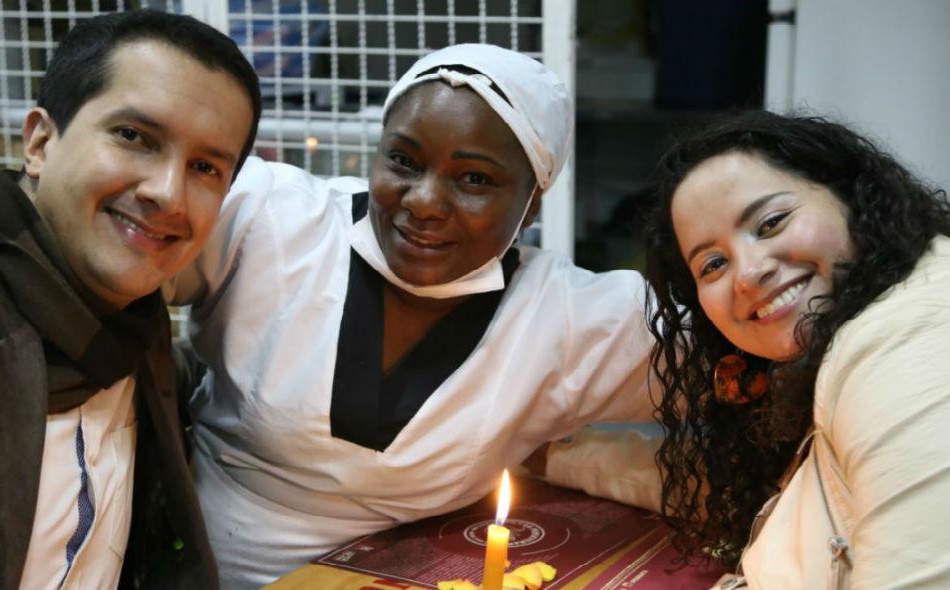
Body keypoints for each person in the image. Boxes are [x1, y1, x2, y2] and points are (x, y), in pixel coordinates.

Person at [168, 43, 656, 587]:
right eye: (403, 160)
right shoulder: (271, 217)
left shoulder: (567, 317)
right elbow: (108, 271)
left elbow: (736, 354)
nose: (424, 201)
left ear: (532, 203)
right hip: (191, 565)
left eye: (474, 180)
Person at [0, 10, 260, 590]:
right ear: (40, 142)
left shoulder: (133, 327)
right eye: (134, 137)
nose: (167, 194)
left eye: (204, 167)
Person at [554, 111, 950, 589]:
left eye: (771, 223)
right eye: (714, 263)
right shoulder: (819, 357)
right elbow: (738, 487)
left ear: (853, 197)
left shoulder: (904, 339)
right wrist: (545, 455)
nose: (748, 274)